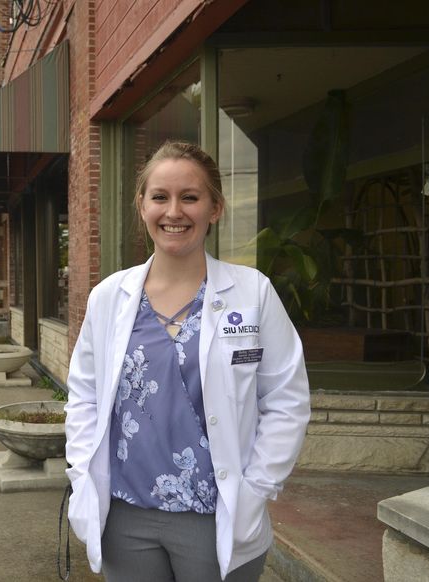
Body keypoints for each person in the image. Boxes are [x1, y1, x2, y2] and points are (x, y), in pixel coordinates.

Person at [65, 140, 310, 581]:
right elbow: (83, 396)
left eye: (190, 197)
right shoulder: (109, 298)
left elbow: (287, 401)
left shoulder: (252, 293)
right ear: (142, 206)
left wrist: (256, 489)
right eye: (160, 197)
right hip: (125, 517)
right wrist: (83, 471)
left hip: (217, 515)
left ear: (214, 209)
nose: (173, 211)